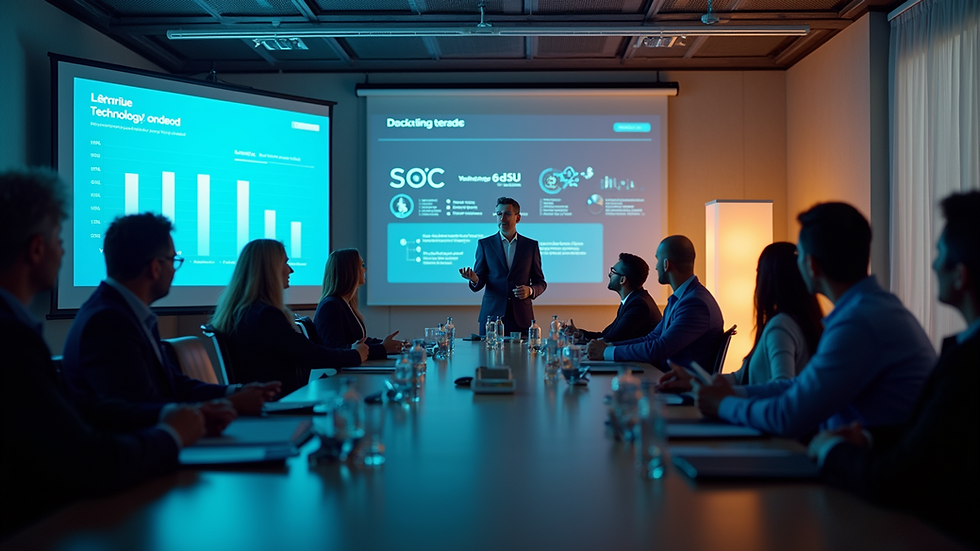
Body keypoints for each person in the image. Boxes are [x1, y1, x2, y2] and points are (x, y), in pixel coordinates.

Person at [0, 169, 208, 537]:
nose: (63, 250)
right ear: (36, 249)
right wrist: (172, 433)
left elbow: (82, 413)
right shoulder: (13, 339)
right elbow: (86, 459)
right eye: (59, 239)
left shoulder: (19, 332)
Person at [809, 192, 979, 547]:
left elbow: (899, 479)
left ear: (960, 275)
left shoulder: (968, 366)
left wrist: (831, 450)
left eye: (938, 255)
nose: (932, 266)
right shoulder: (962, 353)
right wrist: (869, 438)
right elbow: (934, 438)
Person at [694, 203, 936, 438]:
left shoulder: (858, 324)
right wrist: (734, 394)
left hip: (870, 470)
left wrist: (724, 404)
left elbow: (787, 416)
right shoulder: (873, 309)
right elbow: (799, 386)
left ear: (811, 264)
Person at [62, 214, 278, 414]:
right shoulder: (108, 321)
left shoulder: (127, 313)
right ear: (155, 267)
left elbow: (172, 383)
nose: (175, 270)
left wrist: (235, 392)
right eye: (173, 260)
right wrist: (228, 405)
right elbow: (138, 408)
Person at [657, 242, 823, 389]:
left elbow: (781, 387)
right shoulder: (800, 322)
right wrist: (697, 380)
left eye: (758, 273)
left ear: (768, 278)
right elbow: (739, 377)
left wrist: (727, 397)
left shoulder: (781, 326)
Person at [211, 239, 368, 395]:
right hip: (278, 404)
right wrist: (355, 354)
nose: (291, 270)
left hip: (268, 402)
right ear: (269, 270)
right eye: (285, 263)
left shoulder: (244, 313)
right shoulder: (265, 316)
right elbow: (311, 355)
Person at [585, 235, 723, 369]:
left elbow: (660, 348)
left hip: (681, 385)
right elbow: (652, 337)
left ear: (666, 264)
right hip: (666, 377)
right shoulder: (682, 298)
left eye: (657, 260)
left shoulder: (695, 303)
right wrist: (610, 347)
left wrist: (606, 352)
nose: (656, 267)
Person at [459, 197, 546, 335]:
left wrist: (530, 290)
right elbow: (480, 281)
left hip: (522, 318)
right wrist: (475, 279)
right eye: (499, 214)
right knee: (488, 356)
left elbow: (540, 283)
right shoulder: (485, 245)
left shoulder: (530, 246)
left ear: (518, 218)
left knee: (521, 357)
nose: (502, 218)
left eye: (507, 214)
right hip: (491, 317)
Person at [314, 248, 404, 359]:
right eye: (361, 265)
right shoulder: (331, 306)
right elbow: (335, 349)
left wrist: (390, 344)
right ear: (349, 271)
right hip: (341, 374)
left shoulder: (344, 303)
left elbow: (357, 341)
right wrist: (382, 348)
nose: (365, 269)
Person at [565, 252, 662, 343]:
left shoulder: (638, 305)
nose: (609, 274)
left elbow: (611, 340)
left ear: (622, 280)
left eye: (613, 271)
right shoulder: (633, 299)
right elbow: (606, 334)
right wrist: (579, 333)